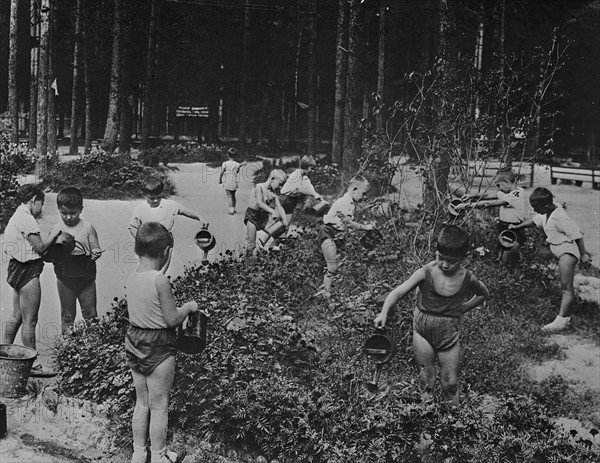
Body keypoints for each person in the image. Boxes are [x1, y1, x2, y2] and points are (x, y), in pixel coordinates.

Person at [374, 225, 489, 403]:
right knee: (426, 379)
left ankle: (454, 421)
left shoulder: (467, 277)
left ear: (463, 258)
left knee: (450, 382)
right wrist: (384, 312)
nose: (444, 264)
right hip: (422, 333)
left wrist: (463, 308)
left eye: (451, 261)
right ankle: (427, 415)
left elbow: (483, 294)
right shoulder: (425, 272)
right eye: (440, 257)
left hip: (448, 335)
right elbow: (398, 292)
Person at [125, 222, 197, 463]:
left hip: (135, 341)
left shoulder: (132, 277)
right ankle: (159, 456)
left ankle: (138, 453)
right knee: (159, 405)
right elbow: (171, 319)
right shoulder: (160, 281)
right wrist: (187, 308)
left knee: (141, 402)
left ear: (137, 249)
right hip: (159, 344)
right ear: (166, 251)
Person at [509, 187, 591, 332]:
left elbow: (577, 234)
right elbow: (535, 221)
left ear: (545, 206)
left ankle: (562, 321)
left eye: (536, 208)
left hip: (567, 253)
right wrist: (517, 227)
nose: (534, 211)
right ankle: (566, 316)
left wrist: (584, 255)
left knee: (566, 288)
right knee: (564, 286)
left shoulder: (560, 217)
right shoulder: (548, 211)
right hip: (560, 251)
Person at [2, 184, 62, 377]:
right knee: (30, 320)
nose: (41, 209)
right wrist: (54, 233)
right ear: (34, 200)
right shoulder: (27, 219)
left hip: (16, 268)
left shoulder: (17, 216)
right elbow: (40, 248)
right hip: (27, 271)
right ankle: (33, 365)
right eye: (41, 204)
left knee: (17, 315)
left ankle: (4, 354)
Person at [51, 187, 103, 333]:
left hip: (86, 278)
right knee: (67, 316)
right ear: (58, 209)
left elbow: (95, 247)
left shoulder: (87, 227)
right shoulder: (57, 229)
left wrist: (96, 253)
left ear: (81, 209)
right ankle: (66, 349)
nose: (68, 217)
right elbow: (50, 253)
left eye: (73, 213)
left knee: (91, 315)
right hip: (64, 277)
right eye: (64, 213)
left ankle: (94, 349)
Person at [457, 167, 529, 265]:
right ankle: (506, 267)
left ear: (506, 182)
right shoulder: (513, 191)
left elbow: (487, 204)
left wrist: (466, 206)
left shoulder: (514, 197)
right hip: (504, 227)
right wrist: (472, 195)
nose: (498, 189)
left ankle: (510, 271)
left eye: (499, 185)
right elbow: (488, 195)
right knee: (502, 251)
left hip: (513, 229)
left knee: (508, 254)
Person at [318, 175, 373, 298]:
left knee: (341, 264)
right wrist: (364, 227)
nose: (364, 197)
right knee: (332, 266)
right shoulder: (344, 202)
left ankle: (328, 289)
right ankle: (327, 295)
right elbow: (348, 222)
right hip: (328, 233)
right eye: (363, 194)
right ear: (354, 189)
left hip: (338, 234)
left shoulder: (351, 203)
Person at [260, 155, 323, 250]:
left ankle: (273, 245)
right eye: (312, 168)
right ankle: (263, 242)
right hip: (285, 199)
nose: (312, 170)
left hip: (291, 202)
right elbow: (298, 189)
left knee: (284, 226)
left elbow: (309, 186)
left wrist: (316, 194)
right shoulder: (296, 174)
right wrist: (313, 194)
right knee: (280, 224)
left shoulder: (304, 177)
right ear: (305, 166)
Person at [128, 176, 209, 238]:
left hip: (166, 241)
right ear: (144, 195)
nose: (156, 200)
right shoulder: (140, 209)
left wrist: (199, 217)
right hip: (146, 243)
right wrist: (140, 240)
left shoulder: (169, 205)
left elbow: (184, 211)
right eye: (152, 198)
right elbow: (133, 227)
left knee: (164, 260)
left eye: (158, 197)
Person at [243, 169, 288, 256]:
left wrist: (284, 218)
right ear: (272, 179)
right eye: (280, 184)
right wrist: (273, 211)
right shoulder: (259, 187)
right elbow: (260, 203)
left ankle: (274, 251)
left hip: (264, 218)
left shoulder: (274, 192)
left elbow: (279, 206)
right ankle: (247, 260)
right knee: (251, 245)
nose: (280, 187)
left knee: (281, 233)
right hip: (252, 217)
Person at [218, 147, 242, 215]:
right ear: (236, 155)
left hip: (227, 181)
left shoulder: (225, 163)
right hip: (234, 181)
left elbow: (222, 172)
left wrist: (220, 179)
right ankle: (233, 208)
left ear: (227, 155)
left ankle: (231, 210)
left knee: (229, 196)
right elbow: (237, 172)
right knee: (233, 195)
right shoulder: (237, 164)